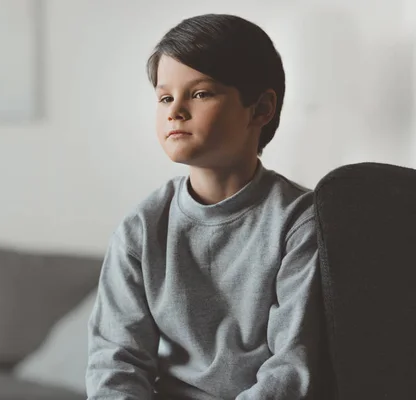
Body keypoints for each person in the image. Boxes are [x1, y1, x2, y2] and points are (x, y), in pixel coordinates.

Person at [86, 13, 324, 400]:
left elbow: (292, 368)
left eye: (200, 93)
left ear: (261, 108)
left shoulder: (301, 221)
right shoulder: (141, 229)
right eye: (165, 97)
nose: (174, 110)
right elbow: (115, 362)